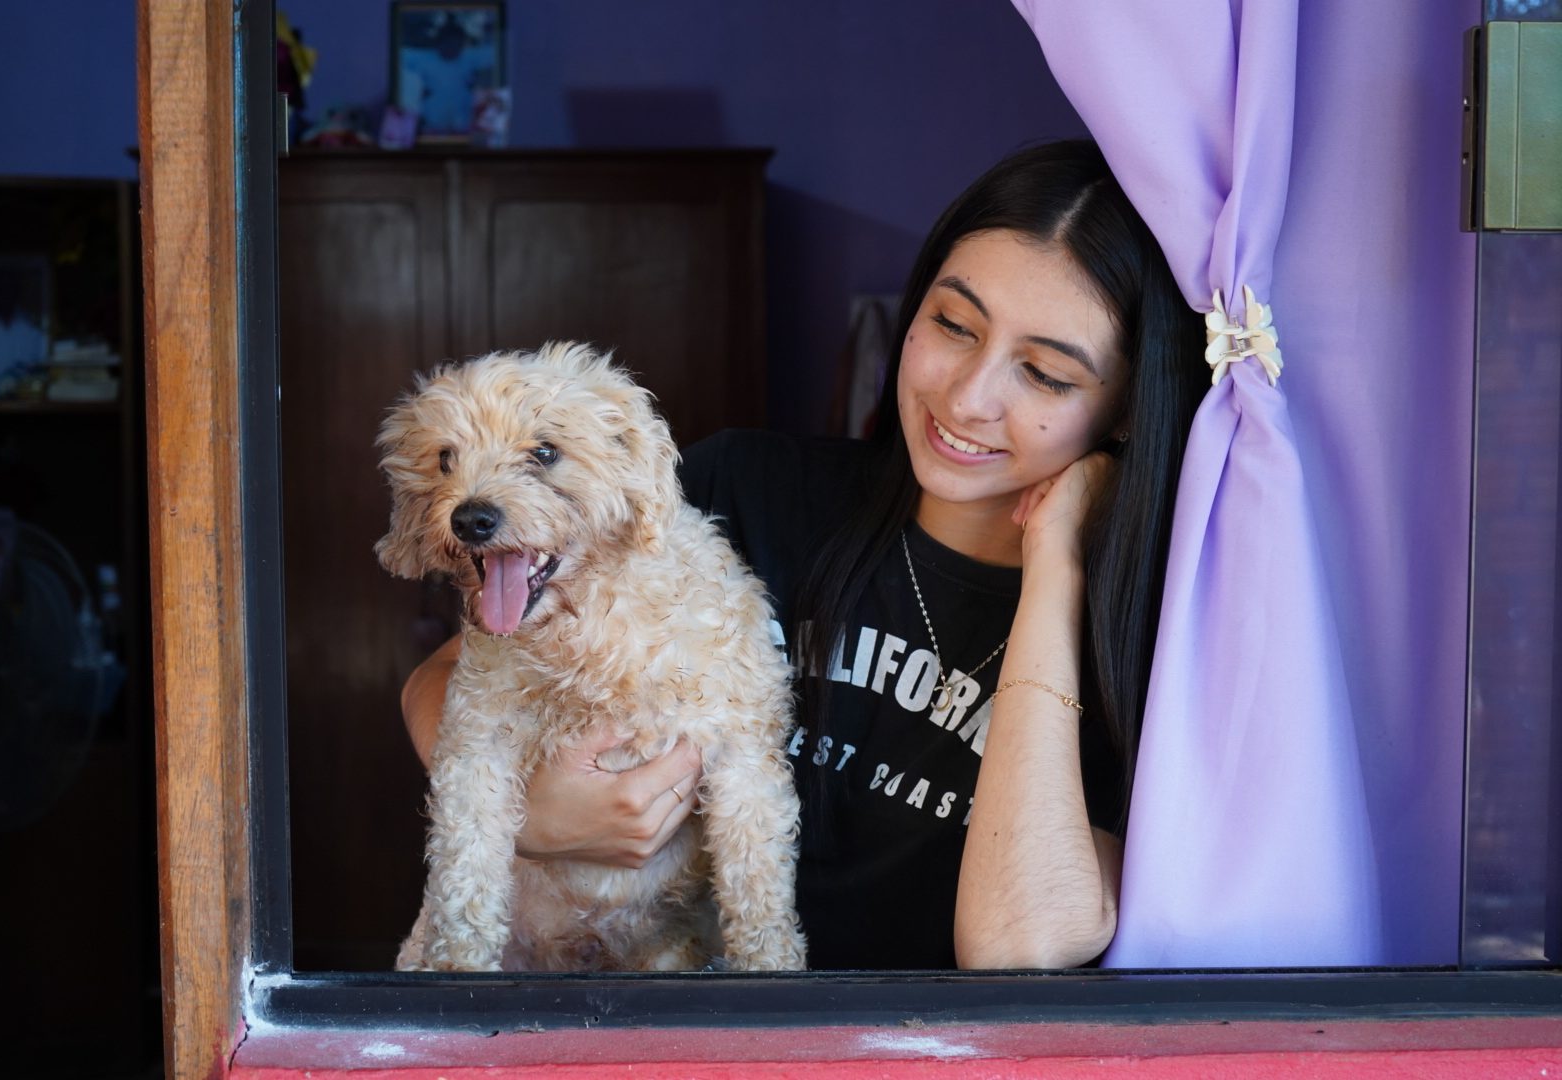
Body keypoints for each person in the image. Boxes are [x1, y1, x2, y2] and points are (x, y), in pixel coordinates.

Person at [401, 139, 1209, 970]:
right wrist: (536, 815)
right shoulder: (744, 490)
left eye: (1043, 374)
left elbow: (1017, 946)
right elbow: (450, 681)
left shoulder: (1149, 645)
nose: (968, 398)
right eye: (953, 324)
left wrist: (1059, 566)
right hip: (671, 1010)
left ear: (1124, 408)